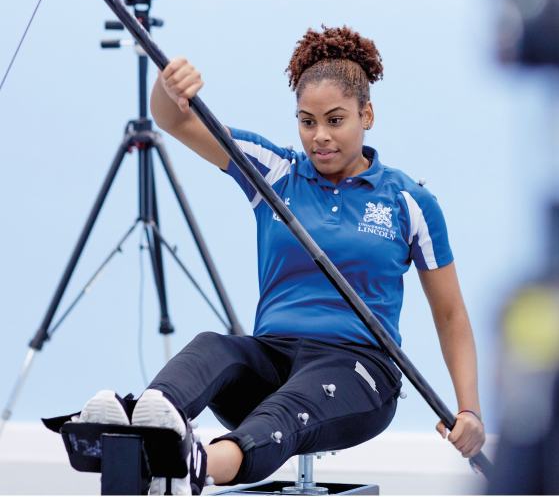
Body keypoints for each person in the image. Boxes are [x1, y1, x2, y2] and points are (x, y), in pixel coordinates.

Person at [77, 25, 485, 495]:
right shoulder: (274, 172)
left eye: (335, 120)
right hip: (272, 359)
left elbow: (451, 315)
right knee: (215, 345)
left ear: (366, 114)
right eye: (306, 121)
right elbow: (174, 120)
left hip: (359, 370)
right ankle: (146, 429)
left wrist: (468, 410)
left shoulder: (408, 201)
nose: (319, 137)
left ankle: (193, 465)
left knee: (291, 405)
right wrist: (169, 89)